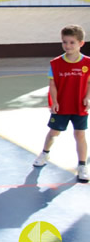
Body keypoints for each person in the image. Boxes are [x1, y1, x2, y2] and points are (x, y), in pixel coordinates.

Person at [33, 25, 90, 182]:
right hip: (61, 106)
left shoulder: (87, 63)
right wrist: (55, 102)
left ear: (81, 43)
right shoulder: (56, 63)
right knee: (53, 132)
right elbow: (53, 85)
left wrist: (88, 97)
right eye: (64, 42)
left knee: (80, 134)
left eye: (72, 42)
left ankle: (82, 165)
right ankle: (45, 152)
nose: (68, 46)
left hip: (79, 106)